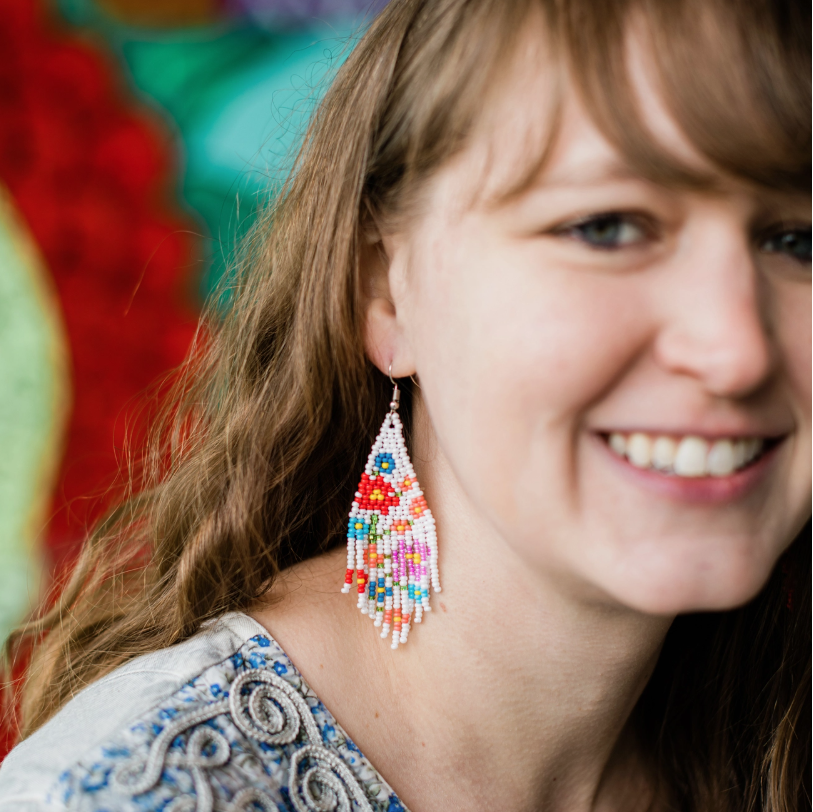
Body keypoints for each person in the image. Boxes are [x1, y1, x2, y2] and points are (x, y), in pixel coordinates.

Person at [1, 0, 810, 809]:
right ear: (384, 295)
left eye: (797, 241)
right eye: (604, 228)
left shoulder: (768, 739)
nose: (734, 349)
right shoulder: (130, 790)